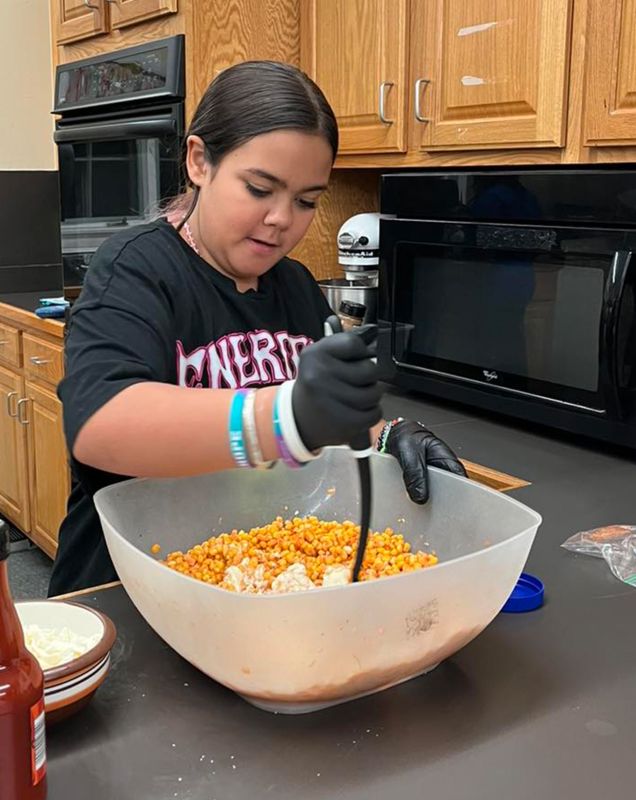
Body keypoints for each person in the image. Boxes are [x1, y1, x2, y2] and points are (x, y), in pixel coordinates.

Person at [48, 61, 465, 596]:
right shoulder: (134, 269)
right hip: (126, 594)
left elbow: (326, 413)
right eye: (260, 188)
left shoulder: (294, 286)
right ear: (200, 161)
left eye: (306, 200)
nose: (281, 219)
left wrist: (386, 439)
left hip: (260, 585)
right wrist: (283, 417)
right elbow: (99, 425)